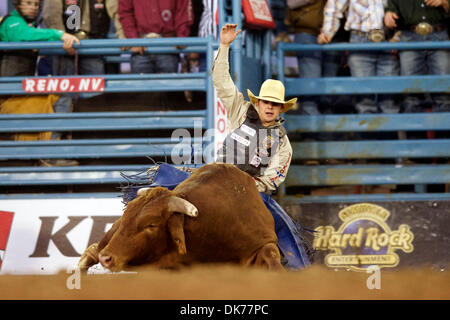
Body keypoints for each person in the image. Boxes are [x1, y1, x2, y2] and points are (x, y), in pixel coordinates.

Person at [211, 23, 311, 269]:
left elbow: (273, 178)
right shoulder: (240, 110)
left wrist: (245, 185)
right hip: (215, 180)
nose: (269, 107)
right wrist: (224, 46)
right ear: (258, 102)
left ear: (280, 109)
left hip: (251, 195)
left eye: (274, 104)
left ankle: (293, 272)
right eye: (266, 102)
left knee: (284, 237)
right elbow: (221, 81)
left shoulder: (282, 142)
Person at [0, 0, 80, 149]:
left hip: (17, 95)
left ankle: (53, 147)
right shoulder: (12, 22)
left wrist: (62, 46)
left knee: (59, 96)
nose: (33, 8)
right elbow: (25, 35)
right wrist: (59, 34)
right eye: (28, 3)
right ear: (17, 5)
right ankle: (51, 154)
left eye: (36, 4)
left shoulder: (27, 24)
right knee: (59, 99)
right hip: (6, 99)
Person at [318, 0, 400, 115]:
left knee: (389, 98)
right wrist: (327, 32)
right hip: (360, 38)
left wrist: (398, 35)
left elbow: (401, 6)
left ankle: (389, 132)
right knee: (365, 99)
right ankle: (368, 132)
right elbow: (334, 7)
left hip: (388, 38)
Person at [385, 0, 449, 114]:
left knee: (444, 91)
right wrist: (388, 15)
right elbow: (391, 10)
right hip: (409, 36)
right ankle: (414, 130)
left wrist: (445, 3)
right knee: (411, 94)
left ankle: (444, 130)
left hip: (439, 35)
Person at [118, 0, 193, 74]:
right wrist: (134, 40)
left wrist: (181, 37)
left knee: (168, 84)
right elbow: (125, 12)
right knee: (141, 84)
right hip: (140, 46)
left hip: (168, 45)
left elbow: (183, 13)